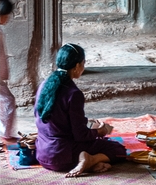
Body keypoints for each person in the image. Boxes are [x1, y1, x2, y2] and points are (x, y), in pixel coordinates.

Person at [34, 43, 126, 177]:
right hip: (63, 157)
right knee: (118, 149)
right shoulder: (73, 93)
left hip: (43, 155)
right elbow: (80, 135)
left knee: (96, 142)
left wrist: (86, 123)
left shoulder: (43, 85)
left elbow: (51, 118)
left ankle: (90, 163)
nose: (83, 67)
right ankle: (90, 160)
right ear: (77, 66)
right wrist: (100, 131)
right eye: (83, 63)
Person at [0, 0, 17, 145]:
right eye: (5, 16)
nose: (7, 19)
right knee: (8, 101)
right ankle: (5, 133)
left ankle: (3, 132)